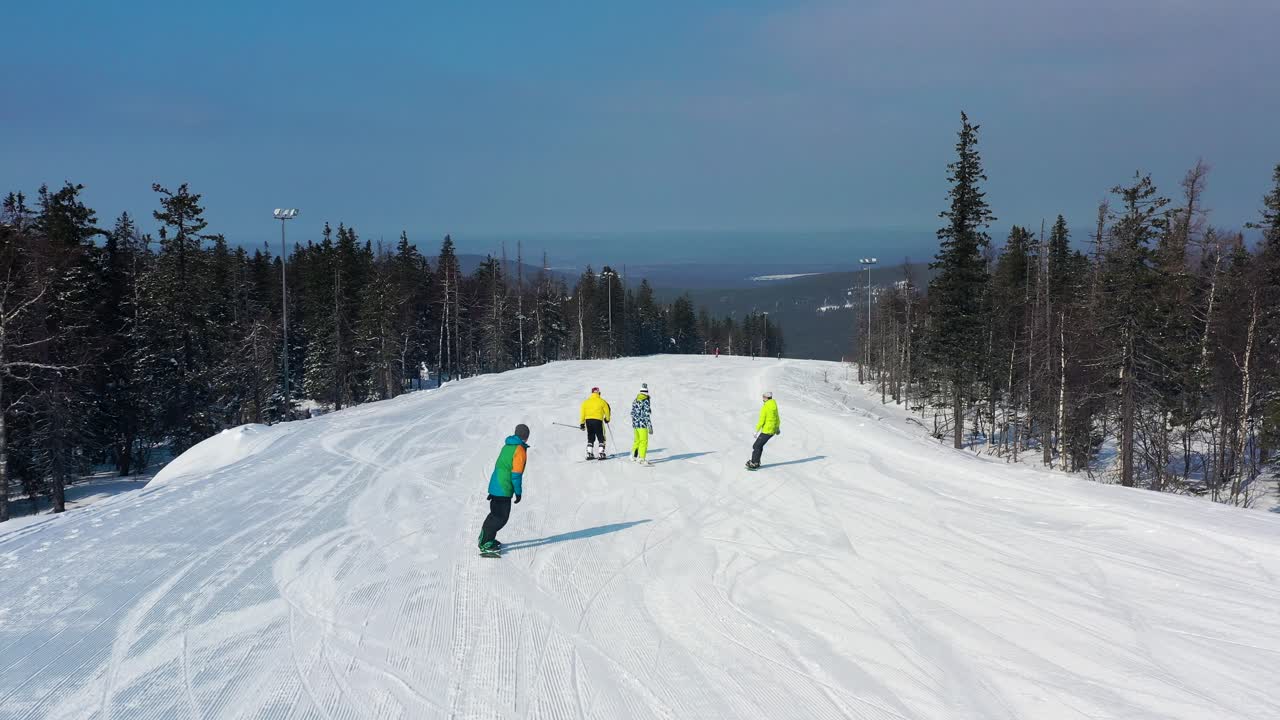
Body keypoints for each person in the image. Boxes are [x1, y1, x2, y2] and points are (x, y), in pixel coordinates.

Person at [478, 423, 529, 554]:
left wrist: (493, 489)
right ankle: (485, 543)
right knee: (500, 517)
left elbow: (500, 467)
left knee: (495, 515)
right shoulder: (519, 450)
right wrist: (518, 492)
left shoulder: (507, 446)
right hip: (503, 487)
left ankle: (487, 538)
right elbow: (516, 475)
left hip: (496, 485)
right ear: (526, 437)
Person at [747, 391, 780, 469]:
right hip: (772, 431)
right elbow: (777, 418)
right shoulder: (774, 405)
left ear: (766, 398)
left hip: (767, 431)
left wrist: (756, 431)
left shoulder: (765, 407)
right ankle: (756, 461)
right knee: (759, 445)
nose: (762, 398)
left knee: (756, 446)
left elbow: (761, 420)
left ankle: (754, 463)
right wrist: (777, 428)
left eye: (763, 397)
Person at [579, 387, 612, 460]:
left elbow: (582, 413)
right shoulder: (602, 401)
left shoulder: (585, 402)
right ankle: (601, 453)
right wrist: (607, 419)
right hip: (598, 421)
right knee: (601, 437)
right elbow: (607, 411)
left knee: (591, 437)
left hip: (588, 421)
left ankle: (589, 453)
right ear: (599, 393)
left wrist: (582, 423)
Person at [630, 383, 654, 465]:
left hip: (636, 425)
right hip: (642, 424)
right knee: (644, 441)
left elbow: (632, 412)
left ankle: (633, 456)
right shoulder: (645, 400)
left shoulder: (636, 399)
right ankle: (642, 458)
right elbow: (646, 414)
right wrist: (650, 426)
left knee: (637, 440)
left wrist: (634, 422)